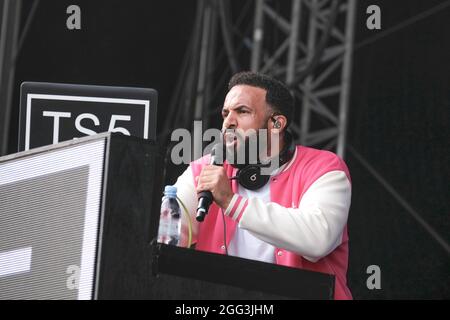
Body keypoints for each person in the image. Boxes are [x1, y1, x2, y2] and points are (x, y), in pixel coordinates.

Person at [174, 71, 352, 299]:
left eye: (242, 112)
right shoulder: (207, 169)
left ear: (277, 123)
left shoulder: (323, 168)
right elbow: (163, 227)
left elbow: (317, 239)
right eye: (225, 113)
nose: (229, 122)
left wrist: (231, 202)